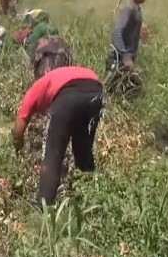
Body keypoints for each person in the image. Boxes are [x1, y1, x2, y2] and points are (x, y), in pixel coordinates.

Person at [12, 61, 104, 208]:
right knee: (83, 152)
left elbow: (17, 131)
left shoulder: (35, 90)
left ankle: (43, 212)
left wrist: (18, 149)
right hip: (96, 91)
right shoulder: (53, 80)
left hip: (68, 93)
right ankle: (91, 203)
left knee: (52, 155)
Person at [107, 0, 152, 72]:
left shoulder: (136, 8)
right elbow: (117, 32)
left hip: (126, 58)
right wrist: (125, 56)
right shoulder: (128, 8)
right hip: (118, 59)